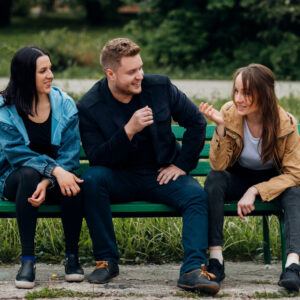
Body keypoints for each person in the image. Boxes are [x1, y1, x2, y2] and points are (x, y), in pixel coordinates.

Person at [77, 38, 220, 294]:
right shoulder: (90, 106)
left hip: (161, 175)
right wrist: (128, 131)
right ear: (111, 73)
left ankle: (192, 270)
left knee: (196, 196)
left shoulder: (160, 87)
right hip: (118, 176)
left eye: (140, 68)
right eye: (131, 72)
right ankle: (106, 261)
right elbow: (98, 157)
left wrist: (181, 164)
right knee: (92, 179)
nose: (139, 76)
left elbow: (196, 122)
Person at [199, 63, 300, 292]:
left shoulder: (286, 123)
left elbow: (294, 174)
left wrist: (256, 190)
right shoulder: (228, 113)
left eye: (246, 93)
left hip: (273, 181)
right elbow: (218, 165)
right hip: (237, 177)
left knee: (295, 193)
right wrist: (221, 128)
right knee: (214, 180)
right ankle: (216, 260)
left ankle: (293, 266)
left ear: (264, 94)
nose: (238, 98)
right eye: (236, 91)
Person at [0, 46, 84, 289]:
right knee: (28, 175)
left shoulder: (65, 104)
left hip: (54, 179)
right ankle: (27, 260)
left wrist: (50, 179)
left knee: (73, 183)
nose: (51, 75)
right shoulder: (5, 109)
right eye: (43, 71)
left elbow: (69, 155)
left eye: (51, 69)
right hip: (14, 178)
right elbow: (17, 154)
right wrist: (54, 171)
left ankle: (72, 258)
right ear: (26, 75)